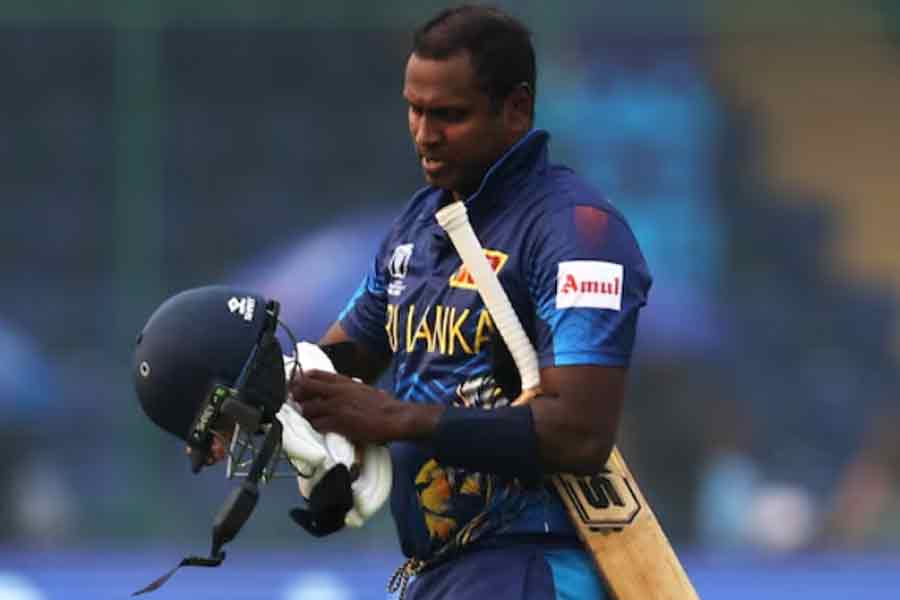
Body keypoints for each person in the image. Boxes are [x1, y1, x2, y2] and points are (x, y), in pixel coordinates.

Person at [289, 5, 652, 599]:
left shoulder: (576, 230)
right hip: (440, 569)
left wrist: (396, 418)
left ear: (517, 109)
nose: (424, 134)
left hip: (531, 567)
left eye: (450, 115)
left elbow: (580, 434)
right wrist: (240, 394)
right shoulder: (417, 226)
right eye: (415, 109)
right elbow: (334, 366)